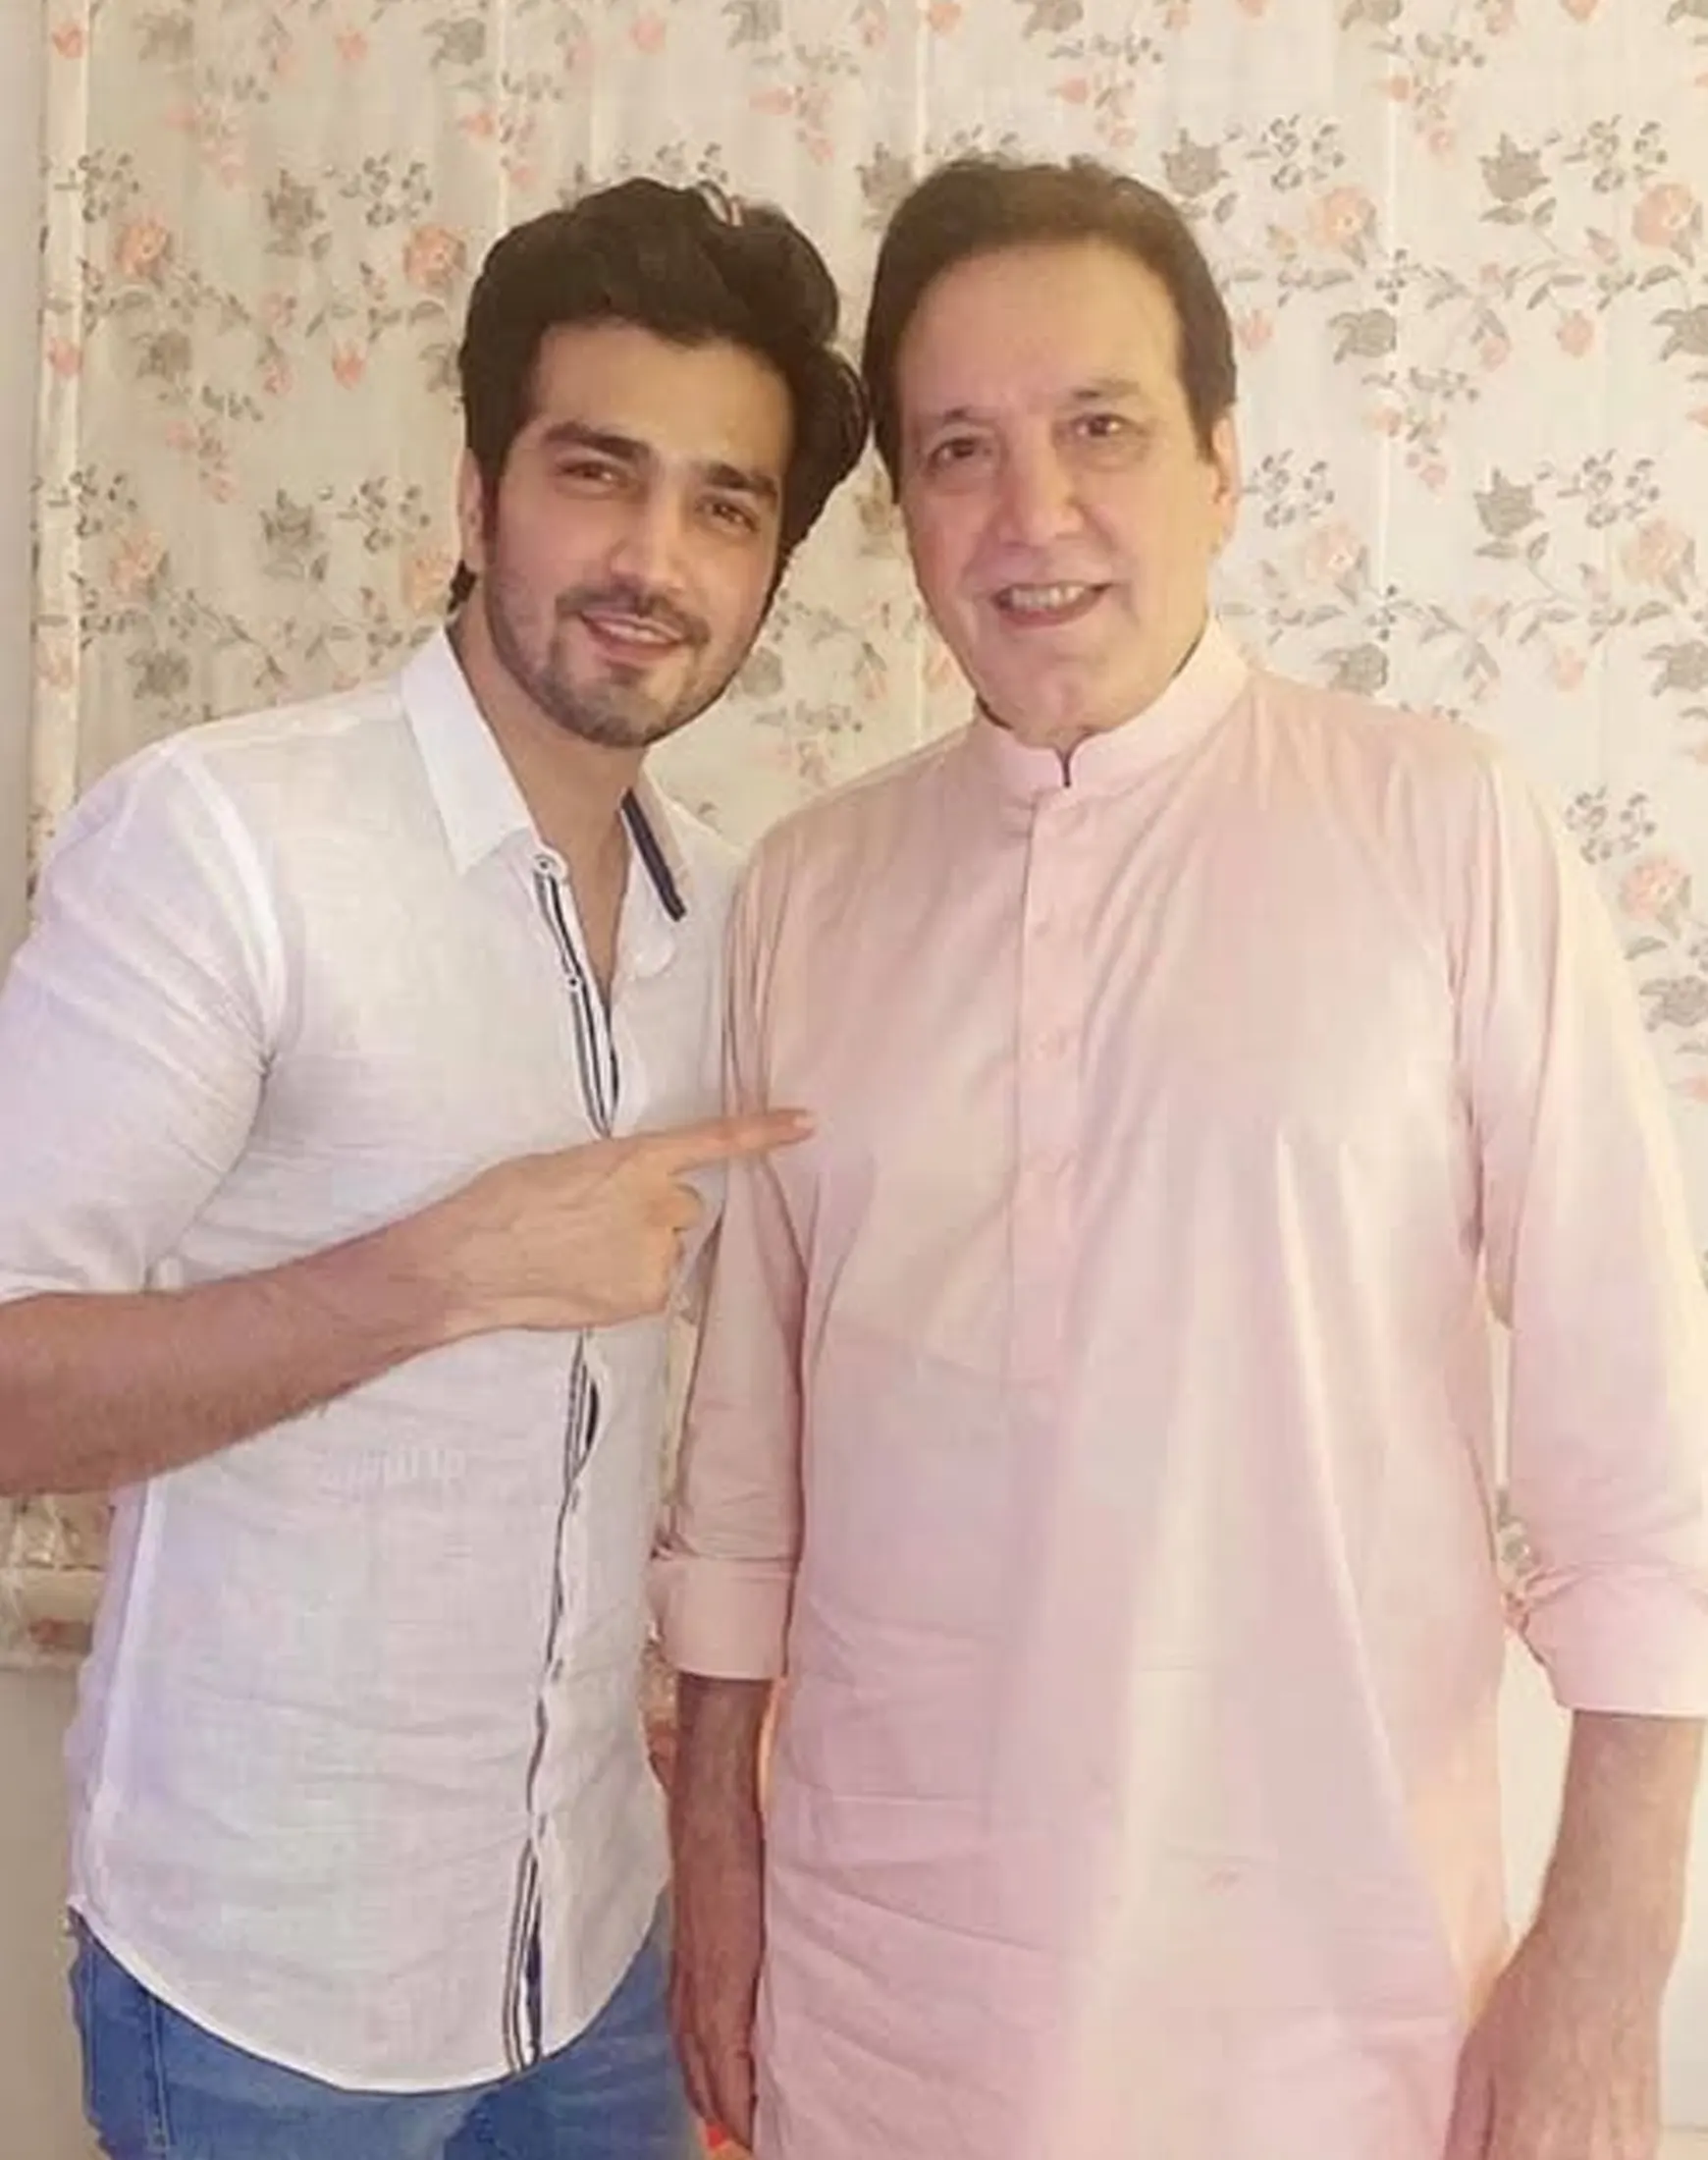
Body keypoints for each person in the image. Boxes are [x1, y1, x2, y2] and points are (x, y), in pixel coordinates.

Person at [657, 154, 1708, 2160]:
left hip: (1332, 2000)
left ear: (1222, 464)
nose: (1032, 511)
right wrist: (717, 1847)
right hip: (892, 1992)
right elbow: (743, 1462)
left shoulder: (1443, 832)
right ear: (905, 520)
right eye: (960, 450)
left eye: (1102, 428)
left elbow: (1640, 1447)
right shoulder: (810, 890)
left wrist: (1607, 1946)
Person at [0, 178, 865, 2160]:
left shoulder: (737, 921)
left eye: (725, 507)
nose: (652, 558)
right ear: (479, 495)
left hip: (594, 1953)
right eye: (597, 472)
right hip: (264, 1990)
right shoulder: (225, 845)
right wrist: (443, 1270)